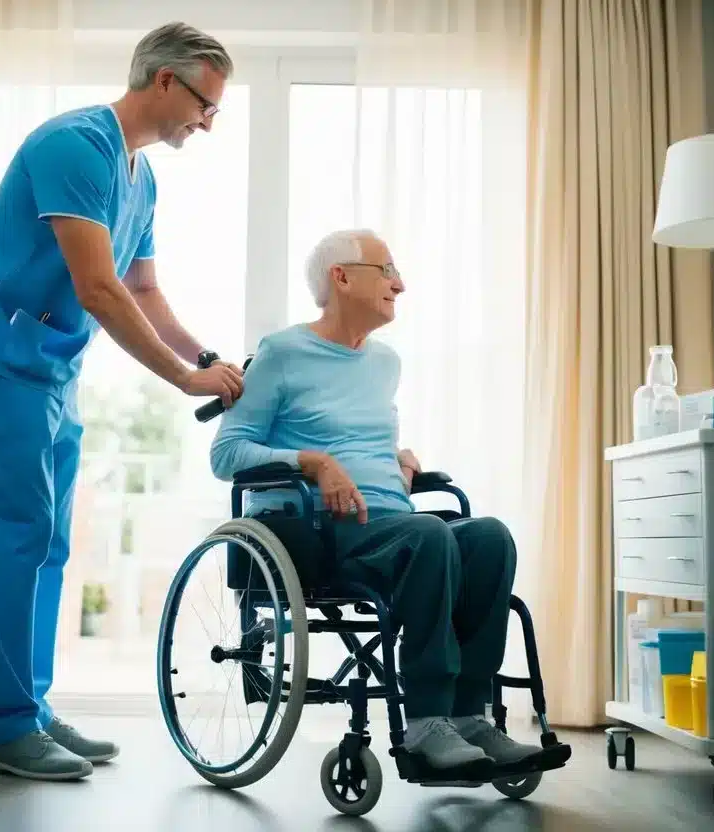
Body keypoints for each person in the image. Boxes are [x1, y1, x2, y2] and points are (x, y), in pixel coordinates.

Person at [0, 22, 246, 782]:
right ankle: (3, 726)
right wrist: (180, 380)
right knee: (13, 534)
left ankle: (28, 710)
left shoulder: (143, 175)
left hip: (49, 369)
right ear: (164, 81)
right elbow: (96, 287)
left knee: (48, 539)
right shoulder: (75, 146)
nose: (207, 123)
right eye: (205, 104)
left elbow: (142, 289)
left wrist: (205, 356)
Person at [208, 229, 541, 774]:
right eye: (387, 270)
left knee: (489, 537)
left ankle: (468, 715)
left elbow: (359, 436)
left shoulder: (385, 362)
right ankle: (427, 722)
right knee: (430, 536)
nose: (399, 284)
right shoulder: (283, 353)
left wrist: (398, 461)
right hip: (319, 531)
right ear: (341, 277)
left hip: (393, 522)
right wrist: (311, 462)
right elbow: (227, 453)